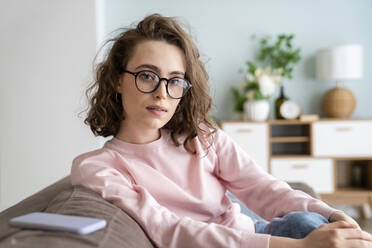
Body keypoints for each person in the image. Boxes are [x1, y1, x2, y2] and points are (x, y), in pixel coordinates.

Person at [70, 13, 372, 248]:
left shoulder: (200, 135)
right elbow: (168, 230)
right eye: (147, 76)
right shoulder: (98, 167)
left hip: (256, 233)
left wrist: (333, 214)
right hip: (243, 243)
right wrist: (300, 246)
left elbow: (263, 188)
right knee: (307, 228)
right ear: (117, 80)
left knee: (317, 223)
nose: (162, 93)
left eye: (175, 80)